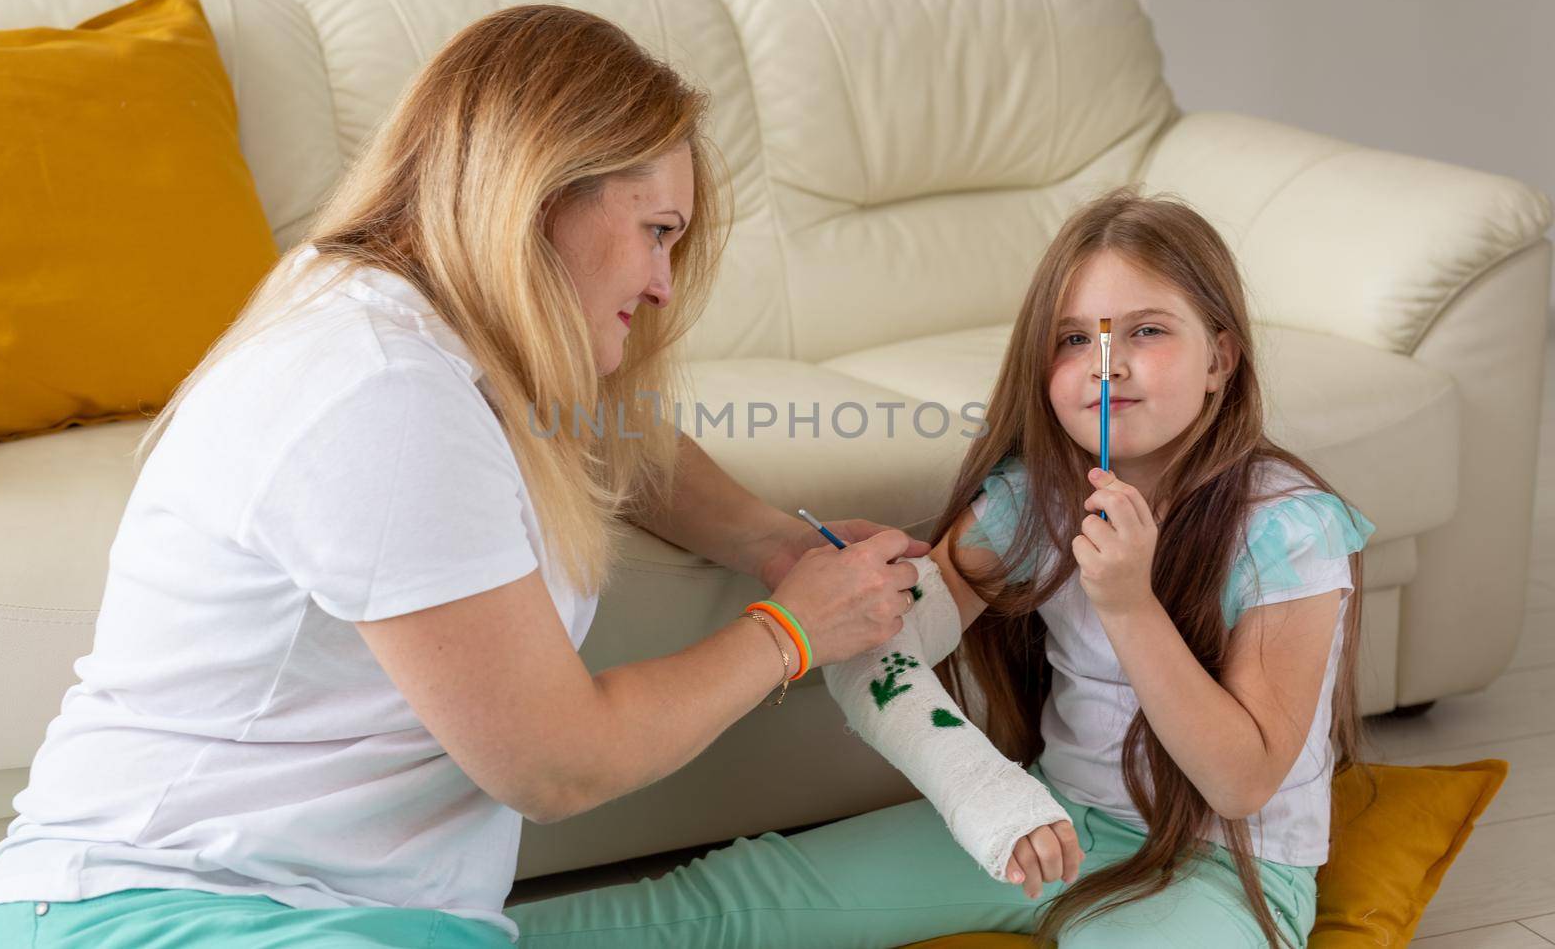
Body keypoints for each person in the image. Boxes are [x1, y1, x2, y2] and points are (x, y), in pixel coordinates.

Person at [0, 4, 931, 949]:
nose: (663, 283)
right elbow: (556, 765)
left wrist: (778, 544)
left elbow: (614, 436)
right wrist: (793, 631)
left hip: (363, 915)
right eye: (658, 231)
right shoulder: (378, 388)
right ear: (545, 192)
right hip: (169, 908)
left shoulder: (433, 330)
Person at [505, 189, 1377, 949]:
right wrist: (987, 794)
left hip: (1224, 863)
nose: (1106, 363)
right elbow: (880, 639)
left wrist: (1129, 606)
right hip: (1054, 819)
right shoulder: (1032, 499)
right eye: (1074, 339)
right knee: (738, 903)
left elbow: (1243, 779)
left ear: (1221, 357)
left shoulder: (1286, 526)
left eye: (1146, 331)